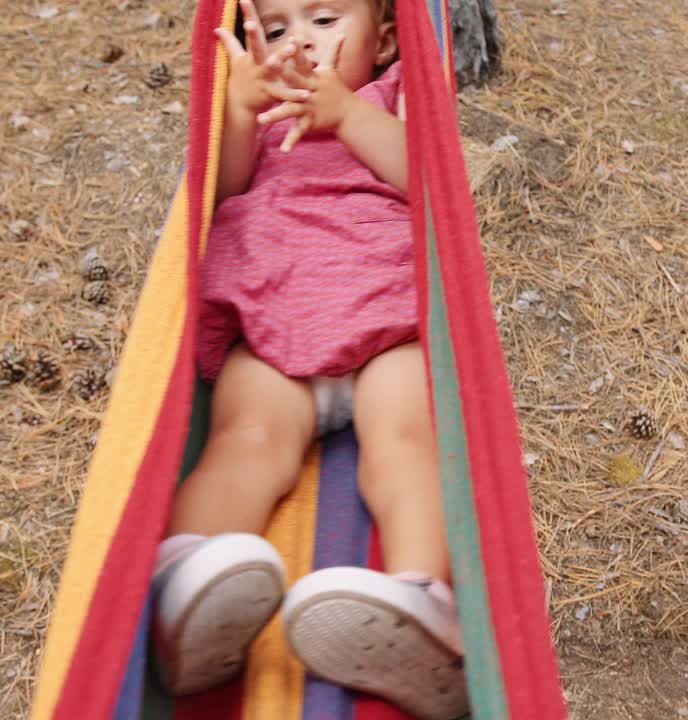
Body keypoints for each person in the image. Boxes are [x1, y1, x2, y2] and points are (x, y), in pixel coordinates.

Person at [148, 0, 467, 718]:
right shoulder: (260, 107)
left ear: (386, 41)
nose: (301, 45)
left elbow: (433, 183)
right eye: (280, 26)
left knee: (408, 442)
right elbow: (221, 190)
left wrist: (347, 113)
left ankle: (421, 604)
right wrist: (236, 104)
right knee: (245, 441)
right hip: (272, 319)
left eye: (325, 20)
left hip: (387, 319)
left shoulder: (388, 99)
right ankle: (186, 582)